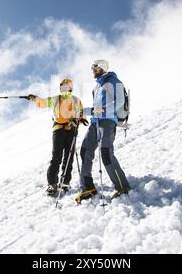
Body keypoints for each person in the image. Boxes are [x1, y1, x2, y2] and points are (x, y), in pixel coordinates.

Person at [75, 60, 131, 204]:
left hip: (108, 122)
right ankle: (88, 187)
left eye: (96, 67)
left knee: (106, 153)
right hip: (95, 122)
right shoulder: (96, 87)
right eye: (92, 67)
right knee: (85, 151)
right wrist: (83, 112)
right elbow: (95, 108)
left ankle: (122, 187)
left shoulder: (114, 81)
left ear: (104, 67)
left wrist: (101, 110)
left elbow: (119, 102)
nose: (93, 69)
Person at [26, 79, 88, 196]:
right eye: (62, 87)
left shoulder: (76, 100)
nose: (64, 89)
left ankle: (65, 182)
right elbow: (43, 103)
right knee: (56, 157)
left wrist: (78, 121)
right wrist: (35, 99)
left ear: (70, 88)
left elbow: (82, 115)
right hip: (58, 129)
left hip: (71, 130)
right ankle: (52, 184)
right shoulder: (56, 99)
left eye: (66, 87)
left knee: (68, 158)